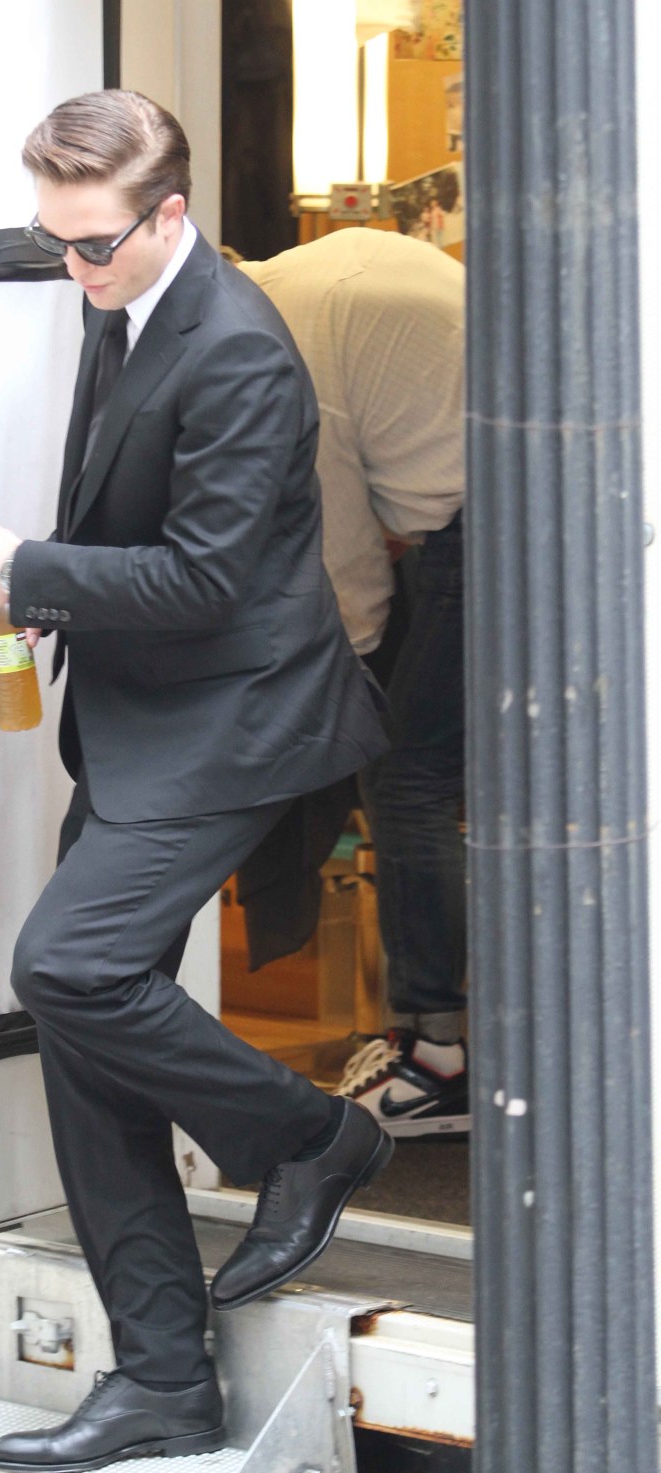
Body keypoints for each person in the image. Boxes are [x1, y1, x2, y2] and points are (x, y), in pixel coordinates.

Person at [0, 90, 392, 1471]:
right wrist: (33, 593)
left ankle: (314, 1137)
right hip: (144, 723)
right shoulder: (124, 289)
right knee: (86, 1043)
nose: (73, 268)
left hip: (237, 721)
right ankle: (165, 1381)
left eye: (93, 244)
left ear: (170, 214)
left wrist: (28, 574)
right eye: (53, 241)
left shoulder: (239, 348)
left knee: (66, 965)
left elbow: (206, 579)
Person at [237, 228, 468, 1136]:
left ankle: (436, 1059)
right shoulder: (317, 269)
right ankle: (460, 1041)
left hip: (483, 528)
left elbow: (350, 586)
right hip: (528, 504)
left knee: (403, 777)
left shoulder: (279, 341)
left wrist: (333, 713)